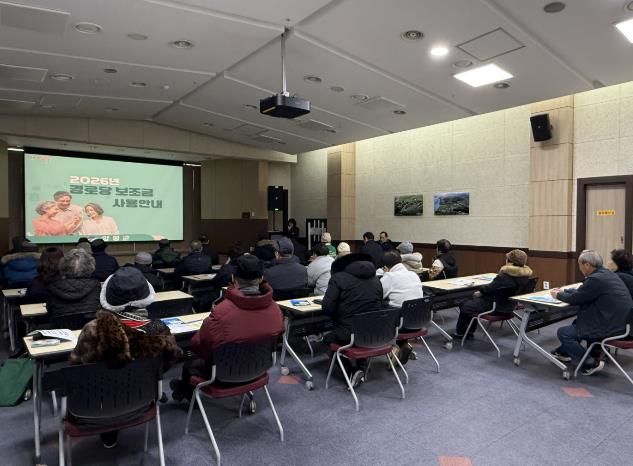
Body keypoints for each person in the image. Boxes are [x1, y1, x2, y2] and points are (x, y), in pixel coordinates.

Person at [70, 266, 182, 449]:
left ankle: (109, 431)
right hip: (142, 399)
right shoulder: (158, 328)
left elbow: (76, 368)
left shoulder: (93, 329)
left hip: (96, 405)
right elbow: (171, 357)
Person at [170, 255, 284, 402]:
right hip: (259, 369)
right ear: (261, 278)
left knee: (190, 364)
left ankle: (184, 392)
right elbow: (278, 336)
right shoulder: (275, 310)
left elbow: (200, 343)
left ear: (233, 278)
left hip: (222, 374)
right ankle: (181, 390)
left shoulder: (222, 312)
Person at [550, 250, 633, 375]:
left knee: (564, 333)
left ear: (587, 265)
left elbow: (576, 299)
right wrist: (564, 292)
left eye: (580, 265)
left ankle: (590, 362)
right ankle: (564, 352)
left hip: (612, 327)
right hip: (623, 324)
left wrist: (558, 295)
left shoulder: (596, 279)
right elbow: (584, 292)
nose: (579, 268)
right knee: (577, 323)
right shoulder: (607, 274)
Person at [322, 253, 383, 387]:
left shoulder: (338, 278)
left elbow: (327, 308)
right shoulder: (376, 279)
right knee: (359, 335)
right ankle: (361, 367)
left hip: (349, 332)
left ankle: (351, 371)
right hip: (374, 332)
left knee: (328, 340)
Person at [453, 249, 533, 339]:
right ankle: (469, 331)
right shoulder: (526, 277)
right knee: (471, 304)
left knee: (464, 304)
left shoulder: (504, 276)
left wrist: (480, 291)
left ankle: (461, 333)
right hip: (510, 306)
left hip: (495, 307)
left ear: (510, 262)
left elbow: (488, 288)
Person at [381, 250, 425, 364]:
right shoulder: (414, 275)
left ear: (385, 267)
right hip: (419, 321)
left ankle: (392, 348)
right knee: (401, 309)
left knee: (382, 312)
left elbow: (378, 296)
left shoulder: (389, 276)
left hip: (401, 324)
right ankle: (404, 345)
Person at [46, 248, 101, 322]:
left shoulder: (52, 287)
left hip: (61, 326)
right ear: (90, 267)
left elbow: (50, 311)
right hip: (89, 326)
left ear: (63, 266)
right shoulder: (96, 285)